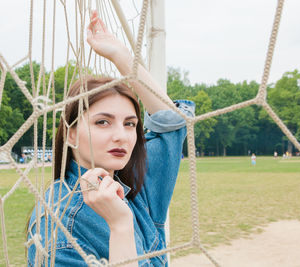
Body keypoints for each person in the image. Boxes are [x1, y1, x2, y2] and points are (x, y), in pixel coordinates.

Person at [26, 11, 195, 266]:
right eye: (102, 122)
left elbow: (172, 126)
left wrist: (122, 57)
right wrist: (120, 226)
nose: (121, 136)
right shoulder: (57, 220)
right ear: (71, 133)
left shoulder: (137, 186)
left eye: (130, 124)